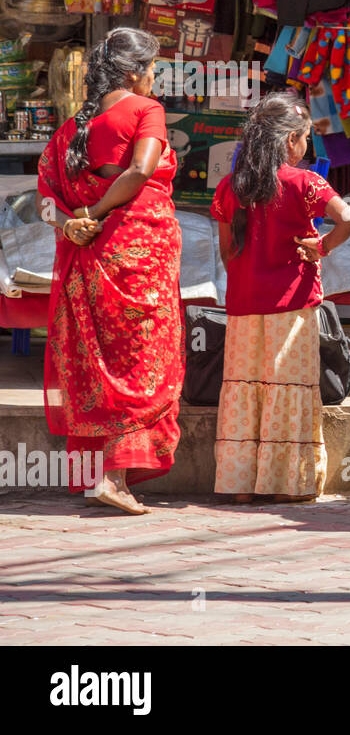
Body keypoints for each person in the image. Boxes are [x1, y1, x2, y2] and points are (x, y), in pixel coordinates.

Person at [37, 28, 183, 516]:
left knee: (97, 363)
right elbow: (141, 170)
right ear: (133, 71)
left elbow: (44, 203)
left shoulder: (72, 126)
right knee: (138, 363)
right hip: (136, 256)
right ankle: (115, 478)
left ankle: (92, 475)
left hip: (86, 256)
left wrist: (72, 223)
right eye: (152, 69)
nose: (154, 78)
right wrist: (96, 213)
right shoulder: (146, 111)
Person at [210, 93, 350, 503]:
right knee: (287, 389)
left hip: (243, 306)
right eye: (306, 138)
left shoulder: (230, 187)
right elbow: (348, 217)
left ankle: (240, 485)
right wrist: (322, 247)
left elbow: (227, 253)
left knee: (244, 390)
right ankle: (287, 484)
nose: (307, 147)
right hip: (292, 307)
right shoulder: (305, 183)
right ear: (291, 139)